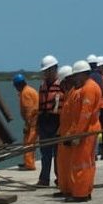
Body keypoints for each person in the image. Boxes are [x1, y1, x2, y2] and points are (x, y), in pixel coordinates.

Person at [63, 60, 102, 202]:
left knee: (81, 163)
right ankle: (86, 190)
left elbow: (85, 115)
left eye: (76, 76)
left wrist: (77, 135)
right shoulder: (90, 87)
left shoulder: (89, 89)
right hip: (89, 129)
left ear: (83, 74)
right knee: (88, 162)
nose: (74, 79)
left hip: (87, 131)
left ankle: (80, 194)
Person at [36, 55, 63, 187]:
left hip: (57, 121)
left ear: (54, 69)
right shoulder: (42, 87)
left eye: (48, 70)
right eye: (44, 71)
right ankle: (44, 179)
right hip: (44, 122)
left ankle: (60, 179)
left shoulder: (62, 85)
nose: (46, 73)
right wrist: (37, 125)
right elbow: (39, 107)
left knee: (58, 154)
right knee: (45, 153)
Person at [54, 65, 74, 197]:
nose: (62, 87)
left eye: (63, 84)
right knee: (62, 164)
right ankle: (64, 188)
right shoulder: (68, 94)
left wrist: (71, 135)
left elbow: (76, 118)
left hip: (69, 136)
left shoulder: (75, 94)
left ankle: (73, 190)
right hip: (63, 134)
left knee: (71, 165)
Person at [13, 73, 38, 171]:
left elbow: (29, 110)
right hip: (34, 120)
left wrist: (27, 125)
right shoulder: (29, 90)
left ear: (18, 85)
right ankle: (28, 162)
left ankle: (29, 164)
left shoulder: (25, 93)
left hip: (33, 122)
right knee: (29, 142)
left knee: (29, 143)